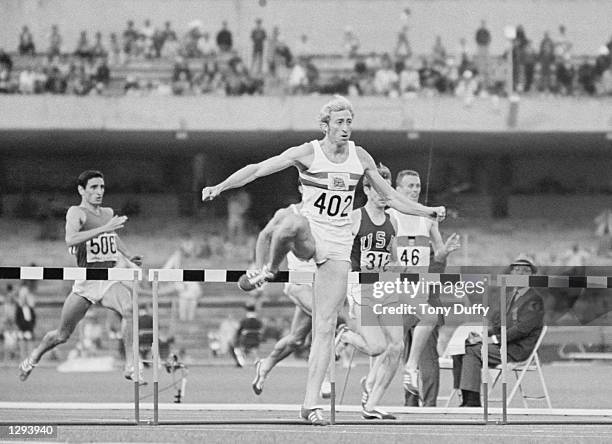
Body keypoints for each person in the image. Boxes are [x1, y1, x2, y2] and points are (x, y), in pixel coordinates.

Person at [202, 95, 445, 425]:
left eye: (349, 122)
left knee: (325, 328)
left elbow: (391, 197)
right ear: (325, 126)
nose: (345, 128)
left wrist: (427, 210)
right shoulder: (308, 153)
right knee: (291, 222)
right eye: (339, 123)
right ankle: (268, 269)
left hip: (338, 247)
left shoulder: (360, 157)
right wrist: (220, 186)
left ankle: (310, 403)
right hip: (311, 235)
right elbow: (258, 169)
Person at [19, 170, 144, 383]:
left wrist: (129, 255)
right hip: (86, 282)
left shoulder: (107, 212)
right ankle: (33, 357)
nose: (99, 192)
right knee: (61, 335)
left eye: (102, 187)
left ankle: (131, 364)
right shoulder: (76, 213)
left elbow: (112, 236)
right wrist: (106, 227)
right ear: (81, 190)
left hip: (109, 278)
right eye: (94, 187)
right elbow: (71, 239)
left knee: (130, 309)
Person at [334, 163, 402, 419]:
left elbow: (393, 257)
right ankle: (347, 337)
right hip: (360, 288)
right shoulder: (354, 218)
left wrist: (396, 265)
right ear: (367, 190)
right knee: (376, 347)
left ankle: (371, 405)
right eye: (379, 190)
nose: (385, 195)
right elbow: (339, 252)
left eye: (388, 190)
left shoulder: (392, 220)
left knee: (397, 347)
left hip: (385, 288)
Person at [251, 192, 333, 398]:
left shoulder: (332, 213)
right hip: (299, 284)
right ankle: (324, 377)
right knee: (328, 319)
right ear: (304, 188)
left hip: (322, 284)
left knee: (297, 339)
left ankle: (265, 365)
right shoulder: (289, 213)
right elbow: (264, 236)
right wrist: (261, 268)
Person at [387, 169, 459, 403]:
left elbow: (438, 257)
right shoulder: (390, 217)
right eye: (410, 186)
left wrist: (444, 251)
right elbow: (387, 258)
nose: (415, 190)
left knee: (425, 355)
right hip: (396, 293)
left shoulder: (428, 218)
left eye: (417, 186)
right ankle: (406, 403)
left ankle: (427, 406)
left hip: (423, 293)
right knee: (394, 349)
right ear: (398, 190)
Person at [452, 255, 544, 406]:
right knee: (465, 346)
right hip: (502, 345)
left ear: (531, 276)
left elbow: (521, 330)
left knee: (472, 350)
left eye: (525, 271)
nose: (520, 274)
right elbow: (496, 324)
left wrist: (491, 339)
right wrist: (482, 335)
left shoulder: (534, 300)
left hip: (516, 349)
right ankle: (467, 395)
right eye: (516, 270)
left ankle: (471, 399)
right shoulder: (508, 297)